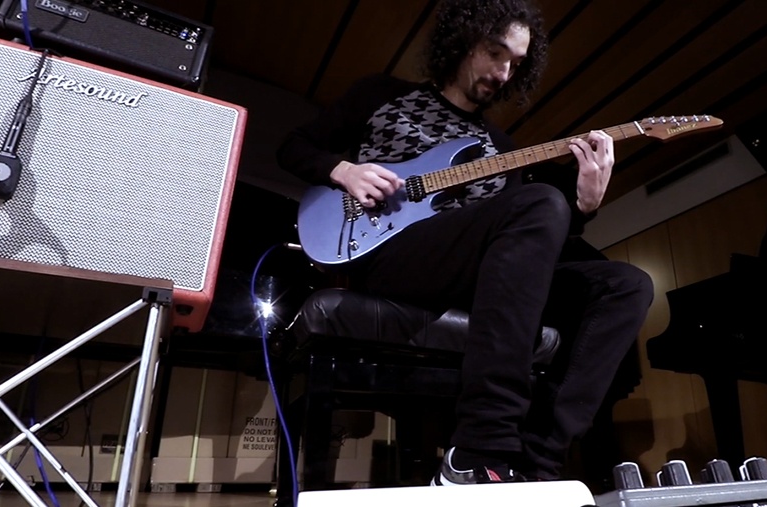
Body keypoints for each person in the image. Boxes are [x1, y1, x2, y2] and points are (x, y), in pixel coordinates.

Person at [276, 0, 654, 486]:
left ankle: (539, 462)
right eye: (496, 53)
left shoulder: (503, 147)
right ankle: (479, 448)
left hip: (479, 275)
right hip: (390, 250)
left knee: (627, 285)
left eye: (516, 63)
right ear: (463, 40)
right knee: (540, 202)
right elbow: (292, 147)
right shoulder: (382, 95)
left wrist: (582, 206)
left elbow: (528, 250)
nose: (503, 73)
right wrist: (345, 170)